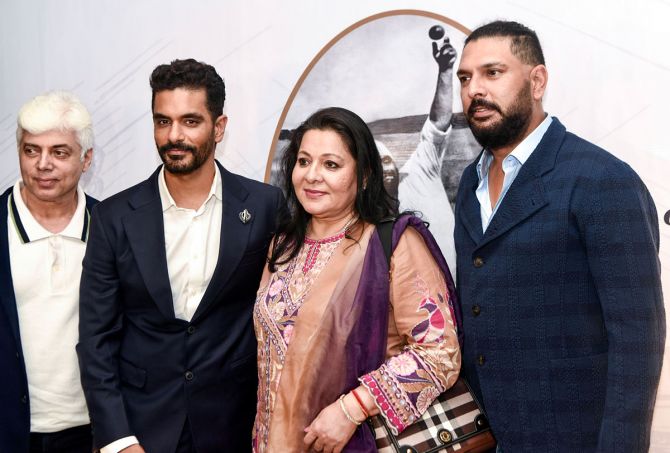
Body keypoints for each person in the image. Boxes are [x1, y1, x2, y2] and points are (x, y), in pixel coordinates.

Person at [453, 20, 665, 452]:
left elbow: (637, 337)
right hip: (485, 438)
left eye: (493, 73)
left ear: (537, 81)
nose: (475, 89)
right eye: (465, 77)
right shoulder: (467, 184)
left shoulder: (603, 179)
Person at [77, 59, 284, 453]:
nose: (174, 136)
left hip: (234, 425)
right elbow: (95, 339)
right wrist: (118, 439)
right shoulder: (114, 217)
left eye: (190, 121)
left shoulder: (264, 206)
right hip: (140, 427)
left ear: (218, 127)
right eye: (162, 121)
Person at [253, 107, 461, 452]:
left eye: (331, 165)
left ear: (364, 175)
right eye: (304, 162)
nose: (312, 176)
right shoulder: (283, 246)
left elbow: (440, 353)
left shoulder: (392, 244)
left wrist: (352, 408)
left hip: (352, 441)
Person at [0, 91, 96, 453]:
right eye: (31, 150)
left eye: (59, 152)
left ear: (86, 159)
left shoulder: (112, 228)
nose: (43, 164)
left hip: (92, 432)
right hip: (10, 432)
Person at [397, 35, 459, 275]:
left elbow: (438, 124)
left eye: (385, 161)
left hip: (459, 299)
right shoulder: (364, 212)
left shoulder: (418, 171)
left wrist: (445, 70)